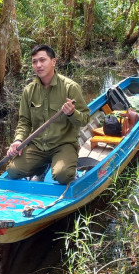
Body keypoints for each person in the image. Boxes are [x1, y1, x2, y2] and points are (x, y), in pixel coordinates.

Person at [6, 44, 90, 184]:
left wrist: (71, 113)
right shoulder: (29, 91)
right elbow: (24, 121)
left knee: (63, 175)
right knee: (13, 171)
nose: (38, 65)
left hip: (63, 144)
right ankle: (41, 167)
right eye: (34, 61)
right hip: (38, 145)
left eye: (42, 60)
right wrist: (18, 140)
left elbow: (85, 119)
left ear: (53, 62)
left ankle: (69, 167)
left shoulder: (70, 87)